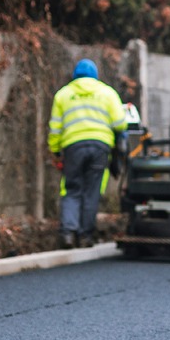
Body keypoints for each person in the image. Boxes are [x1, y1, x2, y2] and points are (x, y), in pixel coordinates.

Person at [47, 59, 127, 249]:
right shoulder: (107, 93)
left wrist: (55, 151)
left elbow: (55, 127)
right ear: (95, 75)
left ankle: (68, 233)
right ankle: (85, 236)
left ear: (75, 75)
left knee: (72, 188)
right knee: (91, 191)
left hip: (73, 147)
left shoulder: (63, 95)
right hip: (101, 147)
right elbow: (120, 124)